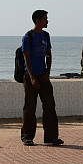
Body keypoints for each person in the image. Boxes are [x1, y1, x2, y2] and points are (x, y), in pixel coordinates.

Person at [20, 10, 63, 147]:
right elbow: (26, 59)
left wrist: (47, 72)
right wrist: (32, 78)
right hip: (30, 77)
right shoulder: (28, 37)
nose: (47, 21)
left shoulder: (46, 35)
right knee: (30, 107)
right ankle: (27, 137)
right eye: (45, 19)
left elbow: (48, 55)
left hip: (44, 76)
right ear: (37, 21)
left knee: (50, 106)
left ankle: (51, 137)